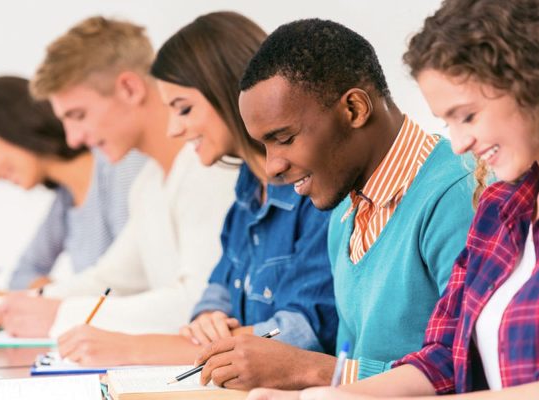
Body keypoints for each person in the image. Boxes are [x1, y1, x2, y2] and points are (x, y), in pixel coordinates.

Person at [249, 0, 539, 399]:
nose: (459, 141)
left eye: (468, 115)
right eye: (448, 121)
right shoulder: (502, 206)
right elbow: (445, 358)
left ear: (535, 84)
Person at [194, 18, 476, 390]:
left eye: (285, 138)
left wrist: (310, 370)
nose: (272, 166)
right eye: (265, 145)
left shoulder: (459, 194)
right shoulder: (344, 216)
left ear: (355, 109)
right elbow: (351, 365)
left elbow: (473, 372)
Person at [0, 17, 238, 350]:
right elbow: (107, 281)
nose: (74, 139)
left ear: (129, 89)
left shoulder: (208, 168)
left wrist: (60, 315)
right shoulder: (148, 185)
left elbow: (198, 303)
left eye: (78, 115)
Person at [53, 11, 338, 367]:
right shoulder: (247, 188)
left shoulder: (316, 191)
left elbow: (301, 331)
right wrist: (208, 318)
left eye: (184, 109)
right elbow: (217, 287)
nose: (174, 129)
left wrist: (137, 349)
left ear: (231, 91)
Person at [0, 76, 145, 339]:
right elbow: (24, 274)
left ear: (14, 125)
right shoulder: (65, 203)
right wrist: (28, 299)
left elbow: (129, 283)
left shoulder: (121, 169)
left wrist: (4, 300)